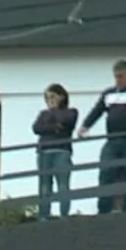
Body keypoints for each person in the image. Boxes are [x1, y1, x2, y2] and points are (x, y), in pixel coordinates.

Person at [78, 60, 126, 214]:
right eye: (115, 77)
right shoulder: (109, 93)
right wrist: (85, 126)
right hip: (113, 139)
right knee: (106, 171)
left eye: (121, 76)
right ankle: (104, 209)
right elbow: (97, 110)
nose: (118, 80)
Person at [32, 83, 78, 220]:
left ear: (61, 96)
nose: (49, 100)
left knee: (63, 186)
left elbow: (67, 122)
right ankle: (44, 217)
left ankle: (64, 216)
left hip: (62, 151)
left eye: (52, 96)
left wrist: (53, 115)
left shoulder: (71, 112)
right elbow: (36, 128)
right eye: (47, 98)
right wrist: (55, 126)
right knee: (44, 186)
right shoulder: (43, 114)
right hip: (44, 152)